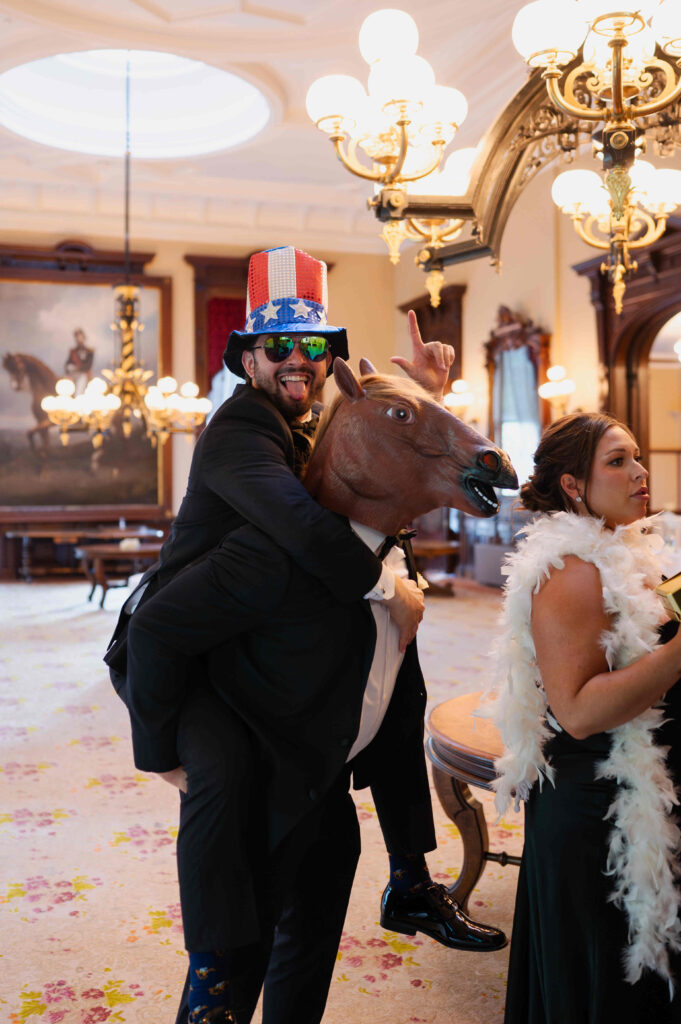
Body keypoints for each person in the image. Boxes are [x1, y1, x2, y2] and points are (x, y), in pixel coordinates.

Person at [105, 246, 506, 1022]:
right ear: (246, 358)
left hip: (263, 634)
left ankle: (409, 875)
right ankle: (216, 973)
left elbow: (367, 444)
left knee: (394, 666)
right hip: (193, 649)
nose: (298, 358)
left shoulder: (305, 417)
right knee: (219, 781)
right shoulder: (239, 428)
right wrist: (161, 759)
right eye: (278, 346)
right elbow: (300, 524)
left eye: (313, 346)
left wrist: (418, 396)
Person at [488, 412, 681, 1023]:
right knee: (610, 987)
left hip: (644, 787)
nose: (640, 472)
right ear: (573, 485)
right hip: (601, 813)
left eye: (638, 457)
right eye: (617, 461)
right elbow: (576, 712)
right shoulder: (572, 570)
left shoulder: (627, 550)